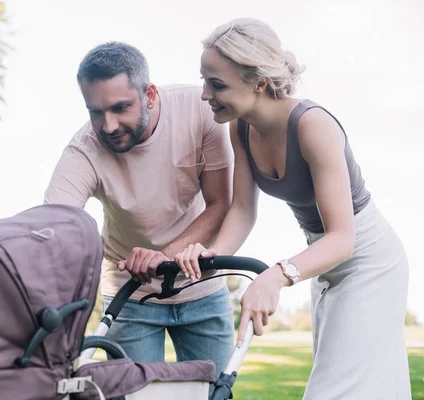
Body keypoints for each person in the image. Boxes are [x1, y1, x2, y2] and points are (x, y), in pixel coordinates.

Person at [174, 18, 412, 398]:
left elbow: (343, 237)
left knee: (335, 389)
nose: (205, 95)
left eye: (217, 84)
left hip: (369, 261)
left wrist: (275, 276)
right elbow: (242, 211)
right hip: (322, 261)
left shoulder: (312, 125)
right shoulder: (240, 128)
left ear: (259, 82)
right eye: (204, 81)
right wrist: (213, 255)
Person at [44, 41, 236, 377]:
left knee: (216, 391)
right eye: (95, 111)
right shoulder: (84, 150)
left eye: (120, 108)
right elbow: (52, 224)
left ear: (149, 94)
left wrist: (166, 255)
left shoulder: (201, 111)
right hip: (129, 296)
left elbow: (221, 203)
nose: (109, 126)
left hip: (201, 286)